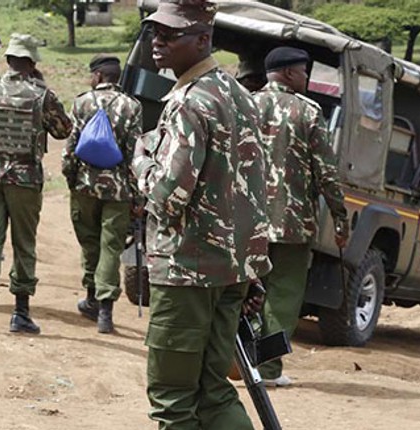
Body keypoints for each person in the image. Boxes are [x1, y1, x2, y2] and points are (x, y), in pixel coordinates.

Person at [132, 0, 272, 428]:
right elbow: (257, 189)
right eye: (155, 33)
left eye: (171, 35)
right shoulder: (240, 97)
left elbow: (167, 196)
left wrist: (140, 159)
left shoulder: (188, 102)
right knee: (214, 393)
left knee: (173, 402)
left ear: (203, 39)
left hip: (186, 273)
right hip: (230, 271)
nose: (158, 43)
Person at [0, 33, 72, 334]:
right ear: (32, 64)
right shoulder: (41, 95)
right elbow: (63, 130)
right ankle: (20, 313)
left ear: (7, 60)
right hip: (24, 179)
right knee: (24, 243)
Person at [252, 46, 349, 387]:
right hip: (292, 224)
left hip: (245, 223)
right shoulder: (307, 112)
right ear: (290, 73)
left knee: (240, 292)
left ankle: (233, 363)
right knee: (283, 297)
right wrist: (340, 219)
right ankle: (267, 370)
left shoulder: (244, 106)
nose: (307, 78)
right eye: (305, 72)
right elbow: (326, 173)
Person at [62, 54, 143, 334]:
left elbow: (71, 147)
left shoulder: (81, 102)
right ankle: (105, 313)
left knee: (90, 242)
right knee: (111, 246)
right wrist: (136, 197)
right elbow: (135, 154)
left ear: (97, 76)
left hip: (85, 185)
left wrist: (71, 178)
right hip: (118, 189)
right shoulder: (132, 106)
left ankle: (91, 297)